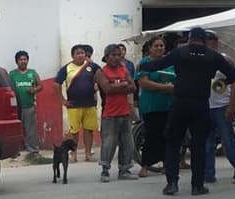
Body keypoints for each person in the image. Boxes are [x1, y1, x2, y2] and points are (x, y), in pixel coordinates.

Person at [136, 27, 235, 196]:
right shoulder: (212, 55)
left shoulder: (180, 52)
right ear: (204, 39)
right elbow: (234, 75)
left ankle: (172, 184)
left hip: (180, 103)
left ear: (190, 38)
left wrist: (143, 64)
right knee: (199, 145)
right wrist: (223, 82)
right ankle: (197, 186)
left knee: (173, 142)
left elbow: (158, 64)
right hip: (200, 104)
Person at [204, 33, 235, 185]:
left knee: (228, 141)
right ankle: (208, 174)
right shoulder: (201, 60)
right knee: (207, 143)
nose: (208, 45)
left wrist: (232, 105)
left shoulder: (225, 59)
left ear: (216, 43)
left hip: (222, 106)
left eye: (210, 42)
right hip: (206, 106)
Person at [95, 44, 136, 182]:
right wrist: (122, 85)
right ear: (106, 57)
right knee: (109, 142)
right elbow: (107, 89)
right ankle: (105, 170)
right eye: (113, 55)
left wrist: (118, 86)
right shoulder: (101, 72)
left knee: (127, 142)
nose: (116, 57)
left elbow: (133, 87)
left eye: (119, 55)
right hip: (110, 113)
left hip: (124, 111)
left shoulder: (124, 69)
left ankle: (125, 169)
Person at [55, 44, 101, 162]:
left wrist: (96, 83)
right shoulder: (66, 68)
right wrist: (63, 100)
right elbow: (56, 84)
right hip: (73, 105)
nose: (80, 55)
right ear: (72, 55)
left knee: (88, 130)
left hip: (90, 104)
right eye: (78, 53)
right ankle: (74, 154)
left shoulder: (91, 66)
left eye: (82, 53)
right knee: (74, 131)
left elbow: (102, 73)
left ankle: (88, 154)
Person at [136, 36, 174, 177]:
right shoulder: (144, 63)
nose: (159, 48)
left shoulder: (169, 62)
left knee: (167, 135)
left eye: (161, 46)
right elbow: (143, 83)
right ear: (150, 48)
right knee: (152, 135)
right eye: (156, 46)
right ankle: (145, 166)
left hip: (168, 105)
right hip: (151, 105)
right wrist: (165, 88)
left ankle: (166, 164)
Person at [9, 51, 42, 155]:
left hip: (29, 106)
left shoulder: (33, 73)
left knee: (31, 130)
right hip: (16, 108)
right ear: (16, 61)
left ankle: (33, 150)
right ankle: (14, 151)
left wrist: (34, 90)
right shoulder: (12, 74)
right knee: (15, 130)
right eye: (20, 59)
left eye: (25, 59)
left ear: (27, 60)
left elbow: (40, 86)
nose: (23, 61)